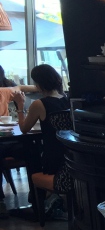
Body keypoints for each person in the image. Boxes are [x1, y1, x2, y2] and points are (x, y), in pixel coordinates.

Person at [14, 64, 72, 194]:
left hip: (53, 160)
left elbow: (24, 128)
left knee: (31, 155)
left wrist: (20, 106)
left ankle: (39, 199)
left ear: (38, 83)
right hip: (70, 158)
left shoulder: (39, 104)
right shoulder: (67, 100)